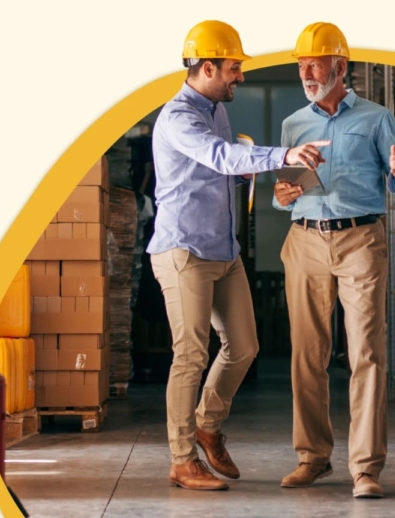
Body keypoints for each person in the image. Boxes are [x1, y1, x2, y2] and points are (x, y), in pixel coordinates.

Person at [148, 20, 330, 492]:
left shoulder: (216, 108)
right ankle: (182, 458)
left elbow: (227, 164)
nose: (239, 77)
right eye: (233, 68)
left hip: (222, 249)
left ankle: (207, 425)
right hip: (183, 249)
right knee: (190, 354)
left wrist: (262, 175)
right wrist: (283, 154)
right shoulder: (179, 117)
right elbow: (222, 157)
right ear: (207, 67)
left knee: (244, 346)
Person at [272, 22, 395, 499]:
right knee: (307, 355)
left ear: (341, 66)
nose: (306, 72)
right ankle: (312, 458)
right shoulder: (294, 124)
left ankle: (365, 468)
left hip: (360, 241)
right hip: (305, 239)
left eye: (314, 63)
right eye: (301, 64)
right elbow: (284, 193)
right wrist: (282, 192)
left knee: (367, 355)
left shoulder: (377, 118)